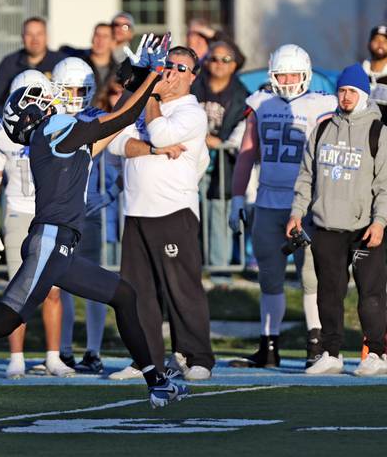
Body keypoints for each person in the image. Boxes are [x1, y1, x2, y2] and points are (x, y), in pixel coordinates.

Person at [0, 41, 188, 408]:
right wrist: (152, 78)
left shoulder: (59, 136)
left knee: (124, 295)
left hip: (61, 246)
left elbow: (111, 125)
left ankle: (156, 381)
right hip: (50, 242)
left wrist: (140, 78)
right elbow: (121, 119)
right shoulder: (54, 130)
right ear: (35, 109)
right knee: (4, 319)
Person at [107, 45, 214, 380]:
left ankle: (196, 357)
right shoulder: (142, 105)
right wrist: (153, 149)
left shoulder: (191, 112)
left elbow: (163, 132)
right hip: (137, 211)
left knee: (182, 289)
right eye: (168, 65)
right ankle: (146, 359)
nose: (173, 72)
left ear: (192, 78)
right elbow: (115, 143)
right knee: (137, 292)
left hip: (173, 211)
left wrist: (150, 95)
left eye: (182, 69)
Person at [228, 44, 337, 368]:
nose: (288, 80)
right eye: (281, 73)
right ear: (271, 75)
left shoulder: (322, 105)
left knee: (310, 278)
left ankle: (315, 344)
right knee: (269, 278)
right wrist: (237, 198)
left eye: (293, 73)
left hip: (305, 204)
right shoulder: (260, 103)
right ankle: (269, 345)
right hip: (267, 201)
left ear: (306, 74)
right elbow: (247, 153)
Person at [289, 65, 387, 376]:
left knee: (370, 295)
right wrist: (297, 212)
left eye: (351, 92)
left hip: (364, 229)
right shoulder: (321, 130)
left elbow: (384, 183)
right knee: (328, 293)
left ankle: (376, 353)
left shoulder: (378, 131)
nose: (345, 97)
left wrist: (380, 221)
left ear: (362, 94)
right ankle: (331, 353)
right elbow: (306, 177)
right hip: (326, 226)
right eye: (341, 91)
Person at [0, 69, 72, 379]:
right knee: (16, 291)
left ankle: (53, 357)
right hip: (19, 213)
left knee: (53, 290)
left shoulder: (58, 126)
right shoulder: (4, 134)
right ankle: (17, 357)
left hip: (49, 213)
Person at [55, 60, 123, 374]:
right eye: (67, 89)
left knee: (93, 283)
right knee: (60, 285)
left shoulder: (96, 117)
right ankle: (64, 349)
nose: (73, 96)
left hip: (90, 211)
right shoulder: (49, 119)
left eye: (80, 90)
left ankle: (93, 350)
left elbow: (121, 157)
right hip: (59, 213)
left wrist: (111, 193)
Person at [191, 40, 249, 281]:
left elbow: (243, 130)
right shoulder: (194, 86)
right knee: (189, 216)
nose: (218, 64)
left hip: (222, 166)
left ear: (234, 65)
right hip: (191, 162)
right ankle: (192, 269)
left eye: (225, 59)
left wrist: (221, 142)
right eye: (213, 58)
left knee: (219, 217)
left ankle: (220, 275)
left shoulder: (242, 95)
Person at [0, 17, 66, 152]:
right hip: (19, 129)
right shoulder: (9, 63)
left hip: (51, 128)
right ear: (22, 37)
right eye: (29, 34)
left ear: (46, 36)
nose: (34, 39)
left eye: (39, 34)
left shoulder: (60, 62)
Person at [360, 24, 387, 124]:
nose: (380, 44)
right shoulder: (359, 74)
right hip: (361, 134)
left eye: (385, 41)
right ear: (369, 43)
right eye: (376, 40)